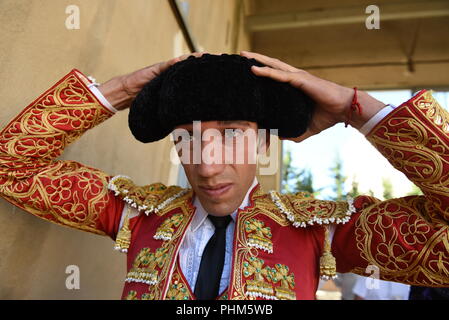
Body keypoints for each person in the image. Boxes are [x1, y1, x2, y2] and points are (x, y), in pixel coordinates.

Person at [0, 51, 448, 300]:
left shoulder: (323, 228)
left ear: (265, 143)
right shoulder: (136, 213)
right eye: (186, 138)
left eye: (232, 135)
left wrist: (357, 107)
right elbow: (12, 167)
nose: (208, 165)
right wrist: (120, 91)